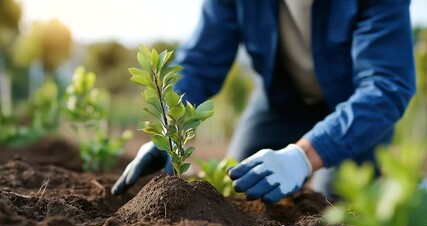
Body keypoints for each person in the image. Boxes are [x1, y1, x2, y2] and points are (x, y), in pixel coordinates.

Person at [111, 0, 416, 203]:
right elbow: (202, 62)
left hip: (353, 111)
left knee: (334, 204)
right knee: (239, 188)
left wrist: (302, 157)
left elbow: (386, 86)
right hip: (278, 104)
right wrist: (168, 132)